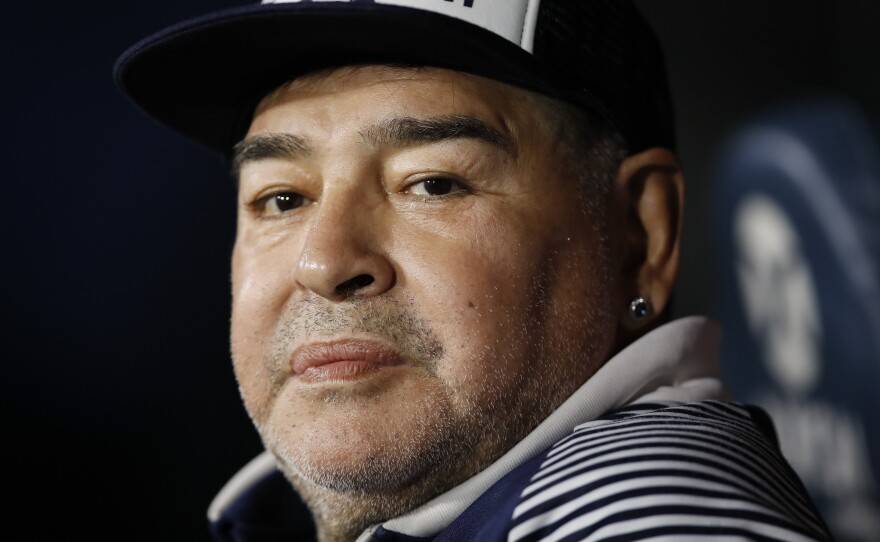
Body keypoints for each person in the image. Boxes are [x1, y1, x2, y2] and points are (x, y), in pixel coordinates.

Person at [115, 1, 834, 541]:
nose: (324, 261)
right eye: (282, 198)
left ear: (640, 239)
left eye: (432, 183)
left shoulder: (646, 510)